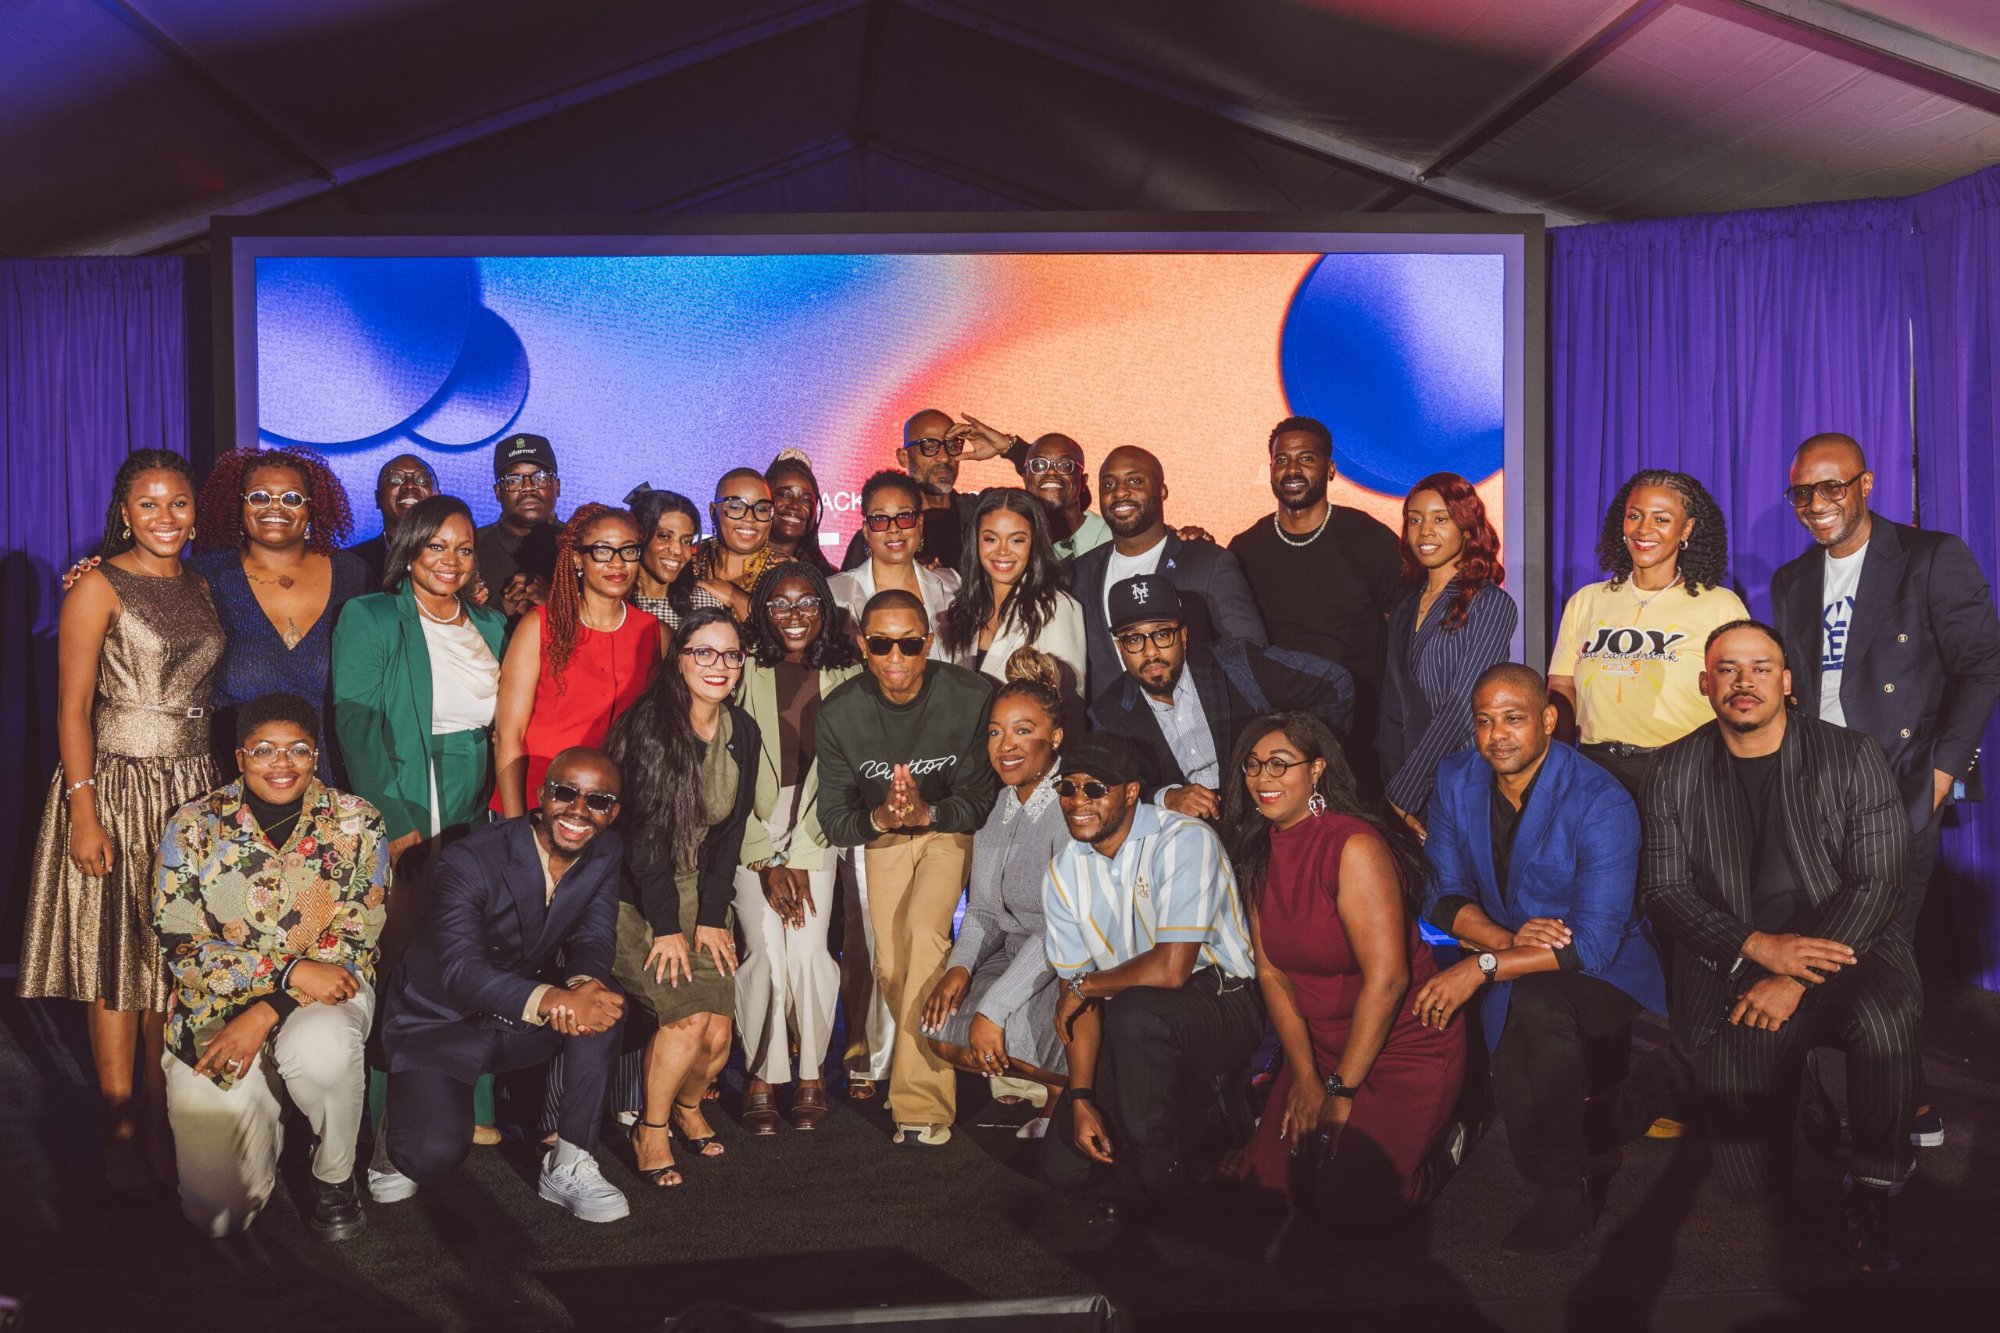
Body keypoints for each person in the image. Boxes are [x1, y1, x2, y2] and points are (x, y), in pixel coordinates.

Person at [1634, 620, 1917, 1275]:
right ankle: (1797, 1085)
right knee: (1749, 1184)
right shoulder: (1673, 766)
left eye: (1761, 667)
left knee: (1886, 1020)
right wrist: (1757, 947)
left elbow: (1880, 881)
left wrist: (1795, 977)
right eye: (1727, 669)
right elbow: (1666, 892)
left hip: (1849, 955)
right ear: (1706, 683)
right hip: (1736, 962)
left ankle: (1876, 1190)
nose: (1744, 681)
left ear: (1787, 681)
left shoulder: (1850, 754)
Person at [1770, 432, 2000, 1147]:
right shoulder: (1791, 581)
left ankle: (1892, 1116)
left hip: (1901, 784)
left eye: (1831, 487)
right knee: (1846, 949)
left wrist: (1939, 775)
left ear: (1866, 485)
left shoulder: (1931, 558)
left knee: (1880, 946)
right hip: (1817, 793)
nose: (1817, 505)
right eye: (1803, 492)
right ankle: (1902, 1098)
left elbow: (1983, 667)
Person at [19, 450, 224, 1193]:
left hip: (191, 787)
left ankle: (158, 1107)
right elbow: (72, 706)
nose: (165, 517)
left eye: (178, 503)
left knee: (167, 961)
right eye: (149, 504)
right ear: (124, 512)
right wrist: (83, 806)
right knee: (116, 954)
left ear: (197, 511)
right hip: (117, 784)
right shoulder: (97, 584)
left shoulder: (201, 583)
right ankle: (119, 1124)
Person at [1412, 664, 1665, 1254]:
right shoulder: (1456, 778)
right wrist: (1503, 943)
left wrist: (1481, 967)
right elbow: (1441, 894)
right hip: (1507, 946)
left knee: (1535, 1006)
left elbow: (1595, 943)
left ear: (1549, 720)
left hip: (1606, 968)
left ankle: (1560, 1185)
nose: (1497, 734)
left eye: (1514, 718)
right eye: (1484, 721)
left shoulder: (1600, 798)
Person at [153, 692, 387, 1239]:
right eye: (264, 750)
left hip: (324, 999)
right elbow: (180, 941)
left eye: (298, 750)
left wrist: (270, 1007)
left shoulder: (358, 823)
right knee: (217, 1215)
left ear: (315, 756)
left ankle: (333, 1174)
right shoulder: (193, 825)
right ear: (240, 758)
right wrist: (282, 973)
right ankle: (270, 1110)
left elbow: (353, 943)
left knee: (321, 1047)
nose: (282, 765)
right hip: (216, 1013)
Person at [371, 747, 632, 1222]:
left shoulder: (606, 850)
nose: (578, 811)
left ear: (613, 812)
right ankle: (397, 1132)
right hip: (439, 1019)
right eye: (566, 793)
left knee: (604, 1003)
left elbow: (594, 936)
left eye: (597, 800)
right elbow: (459, 970)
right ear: (541, 796)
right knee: (427, 1159)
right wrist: (555, 998)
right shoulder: (471, 858)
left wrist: (581, 986)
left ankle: (569, 1162)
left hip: (513, 1020)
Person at [1226, 712, 1465, 1220]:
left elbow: (1390, 979)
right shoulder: (1258, 853)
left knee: (1346, 1209)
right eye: (1252, 765)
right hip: (1322, 1046)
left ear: (1316, 770)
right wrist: (1307, 1079)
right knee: (1266, 1189)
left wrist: (1340, 1091)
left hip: (1403, 1043)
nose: (1262, 778)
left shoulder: (1353, 845)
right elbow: (1273, 975)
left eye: (1279, 764)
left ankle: (1441, 1152)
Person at [331, 495, 507, 1141]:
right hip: (412, 790)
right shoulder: (372, 615)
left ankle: (473, 1106)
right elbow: (355, 717)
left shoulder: (490, 624)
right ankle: (387, 1117)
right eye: (436, 545)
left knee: (476, 950)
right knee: (404, 956)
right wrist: (397, 816)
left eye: (464, 548)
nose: (451, 560)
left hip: (477, 799)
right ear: (409, 547)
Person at [1040, 732, 1262, 1213]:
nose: (1078, 801)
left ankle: (1165, 1178)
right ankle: (1186, 1125)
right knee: (1065, 1166)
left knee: (1137, 1015)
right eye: (1068, 788)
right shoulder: (1062, 871)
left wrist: (1087, 986)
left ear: (1131, 792)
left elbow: (1170, 968)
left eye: (1095, 789)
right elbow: (1076, 1000)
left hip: (1225, 1001)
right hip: (1132, 1017)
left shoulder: (1183, 840)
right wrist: (1080, 1098)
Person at [817, 589, 1000, 1146]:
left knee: (924, 934)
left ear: (928, 642)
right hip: (885, 833)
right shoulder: (840, 712)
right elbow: (834, 819)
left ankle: (920, 1108)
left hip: (947, 827)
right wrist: (880, 815)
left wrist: (930, 811)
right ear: (862, 646)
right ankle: (959, 1041)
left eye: (907, 643)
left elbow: (979, 799)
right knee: (892, 965)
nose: (895, 656)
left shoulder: (972, 696)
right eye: (880, 644)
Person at [603, 610, 759, 1185]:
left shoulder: (741, 730)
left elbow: (730, 834)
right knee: (688, 1021)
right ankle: (651, 1126)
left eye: (731, 655)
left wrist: (713, 918)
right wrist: (668, 926)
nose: (719, 666)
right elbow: (641, 842)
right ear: (680, 658)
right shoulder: (650, 726)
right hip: (635, 893)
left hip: (699, 887)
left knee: (718, 1035)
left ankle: (690, 1109)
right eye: (704, 652)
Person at [732, 562, 862, 1133]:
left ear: (825, 610)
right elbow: (719, 769)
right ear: (761, 609)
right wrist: (764, 856)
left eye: (807, 602)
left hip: (819, 823)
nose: (794, 615)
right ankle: (763, 1073)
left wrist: (804, 854)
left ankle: (809, 1072)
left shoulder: (850, 672)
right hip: (747, 823)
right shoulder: (740, 670)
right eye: (780, 603)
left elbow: (849, 772)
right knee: (765, 950)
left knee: (808, 950)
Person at [920, 648, 1073, 1123]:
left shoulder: (1072, 806)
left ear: (1056, 739)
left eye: (1023, 731)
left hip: (1067, 961)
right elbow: (983, 910)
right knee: (939, 1031)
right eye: (995, 732)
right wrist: (961, 968)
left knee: (995, 1030)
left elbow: (1060, 928)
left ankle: (1073, 1094)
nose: (1005, 745)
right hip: (1013, 951)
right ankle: (1045, 1083)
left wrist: (995, 1007)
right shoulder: (995, 806)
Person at [1548, 469, 1749, 799]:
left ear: (1687, 529)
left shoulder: (1720, 606)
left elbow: (1740, 695)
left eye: (1661, 519)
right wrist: (1558, 764)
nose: (1644, 529)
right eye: (1635, 516)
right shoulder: (1586, 601)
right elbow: (1561, 685)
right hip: (1594, 773)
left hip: (1684, 774)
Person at [1227, 418, 1404, 789]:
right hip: (1276, 744)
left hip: (1357, 738)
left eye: (1306, 458)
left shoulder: (1370, 540)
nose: (1292, 469)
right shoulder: (1245, 549)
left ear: (1331, 469)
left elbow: (1402, 637)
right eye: (1281, 460)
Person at [1091, 573, 1352, 820]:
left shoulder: (1236, 665)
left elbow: (1334, 685)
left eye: (1162, 634)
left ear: (1183, 636)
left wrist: (1297, 762)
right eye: (1134, 639)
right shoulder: (1109, 714)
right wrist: (1164, 797)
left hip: (1264, 824)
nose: (1150, 652)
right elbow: (1110, 788)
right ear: (1119, 647)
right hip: (1180, 841)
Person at [190, 445, 365, 784]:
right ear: (239, 505)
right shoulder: (205, 576)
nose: (275, 507)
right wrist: (93, 575)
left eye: (292, 499)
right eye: (259, 497)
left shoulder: (353, 575)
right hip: (233, 778)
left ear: (312, 508)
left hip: (332, 779)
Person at [492, 503, 661, 816]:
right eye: (602, 551)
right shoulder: (539, 626)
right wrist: (514, 825)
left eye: (628, 551)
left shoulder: (654, 633)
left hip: (610, 809)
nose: (617, 563)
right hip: (538, 802)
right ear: (576, 559)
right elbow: (507, 736)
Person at [1382, 473, 1518, 836]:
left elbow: (1464, 706)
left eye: (1440, 519)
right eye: (1415, 519)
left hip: (1465, 779)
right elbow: (1392, 713)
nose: (1425, 530)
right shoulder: (1405, 610)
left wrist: (1403, 794)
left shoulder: (1490, 603)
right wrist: (1392, 794)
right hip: (1406, 783)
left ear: (1468, 528)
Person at [1073, 446, 1266, 698]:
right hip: (1108, 732)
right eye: (1108, 485)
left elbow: (1252, 658)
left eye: (1134, 481)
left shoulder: (1209, 564)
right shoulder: (1078, 574)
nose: (1119, 492)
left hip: (1200, 728)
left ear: (1162, 490)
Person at [937, 488, 1088, 708]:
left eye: (1017, 540)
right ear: (975, 541)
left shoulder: (1057, 608)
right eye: (991, 539)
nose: (1003, 551)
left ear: (1035, 543)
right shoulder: (962, 605)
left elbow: (1070, 706)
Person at [828, 470, 961, 658]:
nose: (894, 529)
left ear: (920, 524)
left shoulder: (953, 584)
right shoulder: (835, 593)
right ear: (866, 531)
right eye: (880, 519)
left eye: (904, 517)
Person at [839, 409, 988, 572]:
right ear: (904, 457)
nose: (945, 457)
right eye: (929, 447)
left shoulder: (981, 513)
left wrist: (1009, 449)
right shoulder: (879, 534)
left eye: (952, 445)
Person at [948, 417, 1109, 562]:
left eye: (1064, 465)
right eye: (1038, 465)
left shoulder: (1113, 538)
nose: (1051, 472)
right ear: (1024, 477)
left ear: (1083, 480)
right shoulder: (1013, 550)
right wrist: (1009, 447)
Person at [477, 432, 562, 622]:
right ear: (498, 492)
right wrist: (498, 611)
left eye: (540, 477)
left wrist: (555, 604)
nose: (528, 487)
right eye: (513, 480)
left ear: (557, 486)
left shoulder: (583, 546)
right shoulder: (470, 548)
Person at [626, 483, 726, 633]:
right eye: (665, 536)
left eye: (686, 541)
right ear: (639, 536)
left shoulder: (705, 605)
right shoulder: (612, 600)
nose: (677, 550)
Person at [691, 468, 777, 622]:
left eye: (762, 509)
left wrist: (735, 597)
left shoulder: (787, 572)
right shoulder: (687, 561)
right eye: (736, 507)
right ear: (712, 512)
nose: (750, 518)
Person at [346, 454, 435, 590]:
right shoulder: (349, 563)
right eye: (396, 478)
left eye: (422, 478)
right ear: (377, 498)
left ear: (438, 496)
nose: (410, 485)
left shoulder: (464, 562)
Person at [765, 449, 841, 576]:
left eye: (806, 499)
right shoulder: (731, 567)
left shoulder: (830, 578)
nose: (795, 505)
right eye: (785, 495)